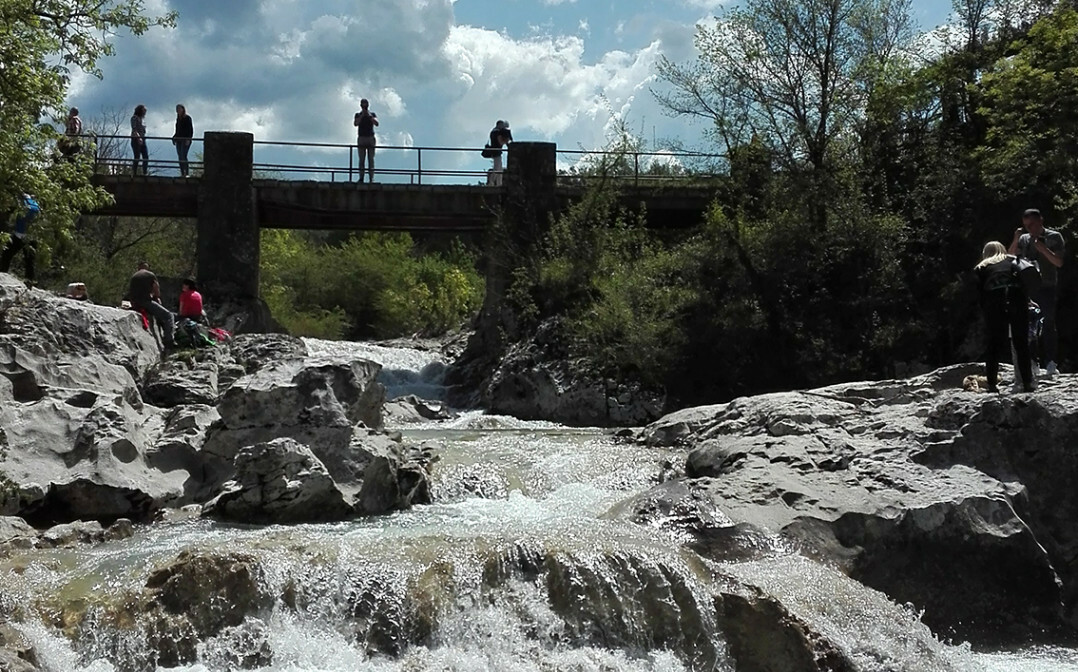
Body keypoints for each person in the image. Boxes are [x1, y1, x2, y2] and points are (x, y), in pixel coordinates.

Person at [1009, 208, 1065, 377]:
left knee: (1048, 322)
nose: (1029, 228)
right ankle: (1032, 362)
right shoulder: (1024, 238)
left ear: (1040, 221)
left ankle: (1051, 362)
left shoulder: (1054, 237)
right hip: (1028, 287)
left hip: (1047, 286)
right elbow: (1009, 256)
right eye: (1026, 226)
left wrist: (1043, 249)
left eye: (1032, 224)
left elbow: (1059, 262)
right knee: (1029, 325)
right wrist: (1016, 238)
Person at [976, 241, 1034, 393]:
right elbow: (1024, 282)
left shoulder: (982, 267)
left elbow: (979, 293)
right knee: (1021, 343)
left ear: (985, 253)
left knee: (994, 343)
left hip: (995, 302)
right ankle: (1028, 383)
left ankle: (992, 384)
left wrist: (985, 311)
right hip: (1017, 299)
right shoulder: (1013, 261)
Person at [128, 260, 174, 347]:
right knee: (168, 315)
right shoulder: (150, 275)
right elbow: (157, 290)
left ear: (138, 268)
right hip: (145, 301)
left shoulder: (134, 276)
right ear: (147, 268)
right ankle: (169, 340)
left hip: (135, 302)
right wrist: (156, 297)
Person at [1, 194, 40, 284]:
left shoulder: (21, 204)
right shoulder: (36, 205)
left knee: (7, 254)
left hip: (19, 235)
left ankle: (2, 273)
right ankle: (29, 279)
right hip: (32, 236)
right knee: (30, 260)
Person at [353, 98, 379, 183]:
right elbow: (356, 123)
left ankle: (371, 178)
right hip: (362, 138)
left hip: (370, 138)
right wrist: (362, 115)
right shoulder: (358, 114)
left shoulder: (372, 114)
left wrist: (369, 115)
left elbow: (376, 123)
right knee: (361, 159)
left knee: (371, 159)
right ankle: (361, 178)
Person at [487, 120, 512, 185]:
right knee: (497, 168)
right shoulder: (496, 132)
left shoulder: (494, 132)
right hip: (496, 151)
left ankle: (499, 183)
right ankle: (492, 182)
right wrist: (506, 140)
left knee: (499, 169)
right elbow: (500, 142)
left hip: (495, 151)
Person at [173, 104, 194, 177]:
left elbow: (190, 130)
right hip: (179, 140)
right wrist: (174, 137)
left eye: (179, 108)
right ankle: (182, 173)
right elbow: (177, 130)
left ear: (183, 109)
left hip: (185, 140)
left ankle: (187, 173)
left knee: (183, 155)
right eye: (177, 109)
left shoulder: (187, 118)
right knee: (180, 156)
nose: (178, 110)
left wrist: (189, 139)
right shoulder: (178, 119)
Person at [131, 104, 149, 175]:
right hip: (136, 139)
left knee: (146, 157)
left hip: (143, 139)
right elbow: (134, 129)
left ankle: (144, 172)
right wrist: (139, 138)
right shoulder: (134, 118)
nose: (145, 112)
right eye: (144, 110)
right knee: (137, 156)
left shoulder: (142, 119)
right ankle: (134, 173)